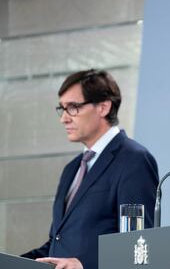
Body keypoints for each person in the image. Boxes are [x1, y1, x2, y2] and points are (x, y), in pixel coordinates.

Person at [21, 69, 159, 269]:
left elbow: (139, 241)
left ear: (103, 107)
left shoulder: (134, 160)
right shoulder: (72, 168)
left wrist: (84, 263)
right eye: (62, 109)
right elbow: (57, 244)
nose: (64, 118)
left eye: (73, 107)